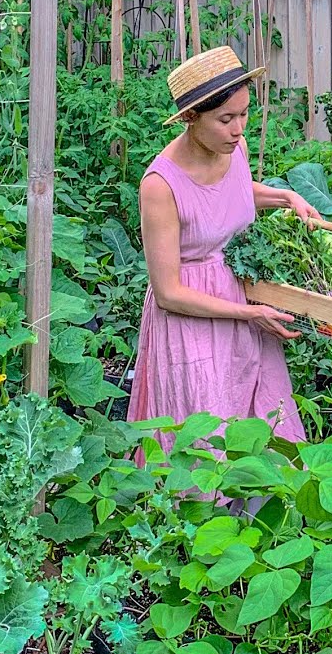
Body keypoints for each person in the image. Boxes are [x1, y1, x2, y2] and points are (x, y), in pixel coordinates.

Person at [126, 45, 319, 449]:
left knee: (262, 424)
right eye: (226, 119)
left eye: (245, 114)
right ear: (191, 117)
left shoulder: (235, 151)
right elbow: (168, 293)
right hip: (191, 321)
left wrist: (286, 197)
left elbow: (229, 195)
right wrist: (249, 313)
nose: (238, 129)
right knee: (203, 438)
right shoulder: (160, 186)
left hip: (242, 304)